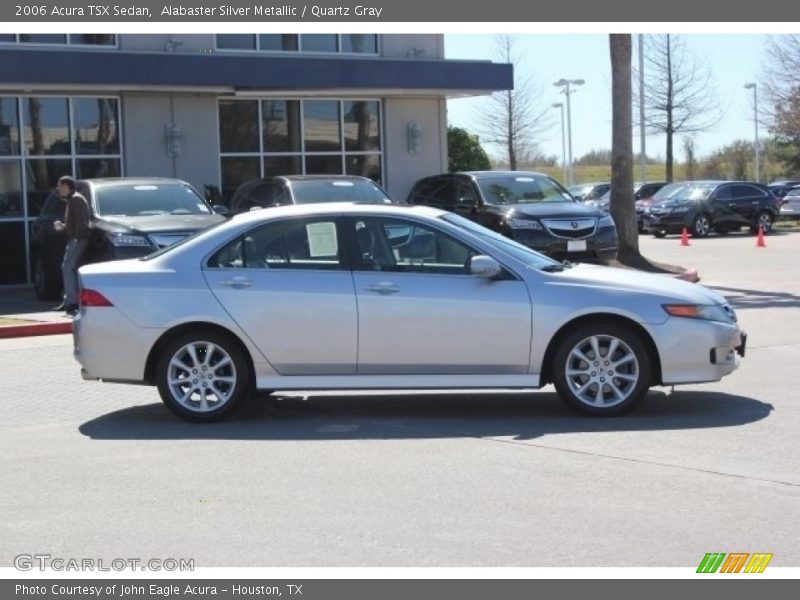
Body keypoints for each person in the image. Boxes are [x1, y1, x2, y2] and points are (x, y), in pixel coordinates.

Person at [53, 176, 90, 317]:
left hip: (77, 240)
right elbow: (74, 224)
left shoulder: (76, 199)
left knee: (67, 268)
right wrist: (62, 225)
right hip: (74, 238)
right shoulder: (72, 200)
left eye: (60, 186)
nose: (58, 189)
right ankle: (68, 300)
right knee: (68, 269)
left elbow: (83, 224)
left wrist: (75, 238)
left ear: (67, 186)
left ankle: (71, 303)